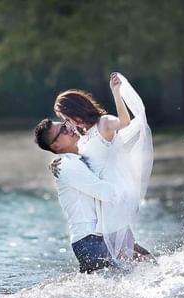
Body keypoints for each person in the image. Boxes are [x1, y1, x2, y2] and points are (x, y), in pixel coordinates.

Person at [54, 72, 154, 260]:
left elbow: (124, 122)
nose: (67, 122)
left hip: (114, 194)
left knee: (125, 251)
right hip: (105, 196)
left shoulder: (104, 123)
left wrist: (116, 93)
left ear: (75, 111)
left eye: (65, 117)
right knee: (127, 248)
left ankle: (158, 271)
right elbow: (78, 162)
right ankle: (157, 268)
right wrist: (56, 163)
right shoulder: (84, 136)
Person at [33, 118, 153, 273]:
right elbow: (105, 193)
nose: (68, 129)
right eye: (62, 130)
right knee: (113, 288)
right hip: (90, 240)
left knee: (149, 265)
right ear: (56, 146)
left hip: (107, 233)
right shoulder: (65, 165)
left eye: (65, 125)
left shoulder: (81, 154)